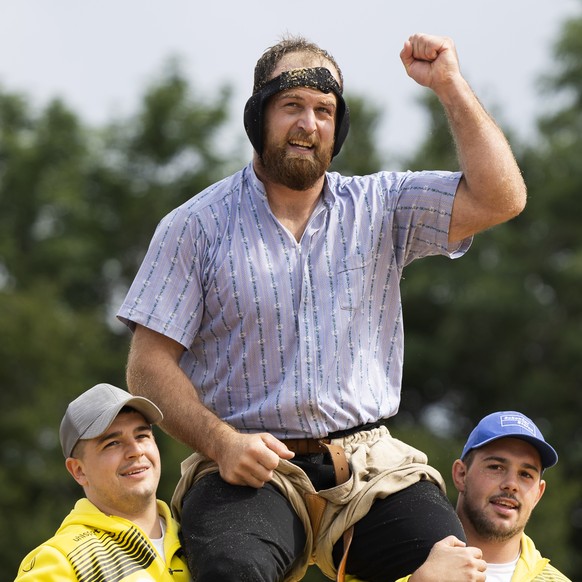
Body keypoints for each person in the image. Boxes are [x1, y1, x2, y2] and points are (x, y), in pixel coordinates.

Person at [116, 33, 527, 582]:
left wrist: (449, 85)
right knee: (232, 571)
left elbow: (503, 197)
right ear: (258, 117)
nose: (308, 124)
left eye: (324, 110)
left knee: (458, 570)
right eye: (292, 106)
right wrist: (221, 443)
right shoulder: (195, 226)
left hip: (369, 467)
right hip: (249, 467)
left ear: (338, 128)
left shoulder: (381, 205)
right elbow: (147, 367)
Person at [357, 411, 569, 581]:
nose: (511, 485)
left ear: (538, 494)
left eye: (525, 474)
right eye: (496, 467)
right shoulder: (396, 550)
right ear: (461, 474)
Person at [15, 383, 190, 581]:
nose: (136, 451)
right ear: (79, 470)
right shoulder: (60, 560)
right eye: (113, 443)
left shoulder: (197, 537)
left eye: (141, 436)